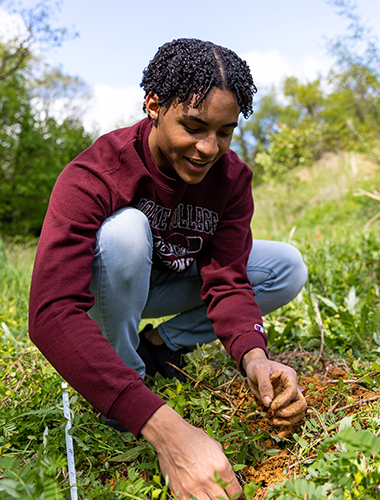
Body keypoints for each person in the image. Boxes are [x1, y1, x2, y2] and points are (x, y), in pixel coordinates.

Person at [28, 38, 309, 500]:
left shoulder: (232, 179)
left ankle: (159, 345)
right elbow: (51, 311)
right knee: (126, 233)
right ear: (154, 105)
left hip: (168, 282)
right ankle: (125, 382)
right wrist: (167, 431)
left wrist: (254, 357)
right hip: (108, 283)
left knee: (284, 266)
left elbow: (228, 278)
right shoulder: (96, 173)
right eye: (194, 126)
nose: (207, 148)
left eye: (224, 131)